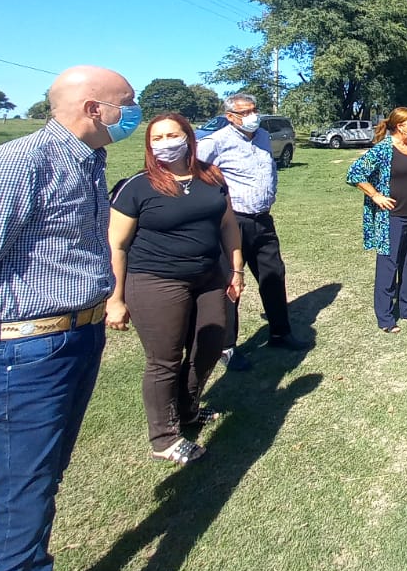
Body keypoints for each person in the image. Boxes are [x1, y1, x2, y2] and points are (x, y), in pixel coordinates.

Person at [0, 65, 138, 571]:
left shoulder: (88, 160)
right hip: (28, 355)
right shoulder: (15, 166)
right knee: (22, 502)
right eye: (128, 102)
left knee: (44, 481)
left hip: (79, 338)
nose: (135, 113)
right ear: (94, 109)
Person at [106, 113, 245, 464]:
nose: (166, 143)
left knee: (209, 347)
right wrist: (115, 298)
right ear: (149, 145)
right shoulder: (137, 187)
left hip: (209, 277)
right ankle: (165, 437)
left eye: (173, 135)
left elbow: (228, 225)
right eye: (158, 138)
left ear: (188, 138)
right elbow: (116, 245)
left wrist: (236, 269)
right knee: (164, 360)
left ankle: (187, 409)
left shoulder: (212, 176)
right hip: (155, 280)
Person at [196, 92, 306, 369]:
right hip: (232, 222)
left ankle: (280, 332)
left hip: (262, 220)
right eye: (245, 112)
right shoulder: (215, 142)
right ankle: (226, 347)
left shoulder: (263, 137)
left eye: (254, 110)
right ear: (230, 117)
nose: (252, 116)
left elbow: (268, 171)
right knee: (231, 282)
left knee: (273, 274)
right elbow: (194, 171)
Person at [346, 107, 407, 333]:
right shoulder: (383, 149)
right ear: (400, 126)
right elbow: (354, 173)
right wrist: (375, 195)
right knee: (389, 265)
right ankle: (385, 317)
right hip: (391, 217)